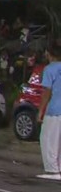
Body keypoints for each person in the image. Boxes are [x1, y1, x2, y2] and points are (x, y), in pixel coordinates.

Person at [36, 45, 61, 180]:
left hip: (55, 110)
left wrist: (40, 111)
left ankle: (52, 170)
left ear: (49, 54)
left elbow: (47, 92)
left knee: (48, 138)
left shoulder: (50, 69)